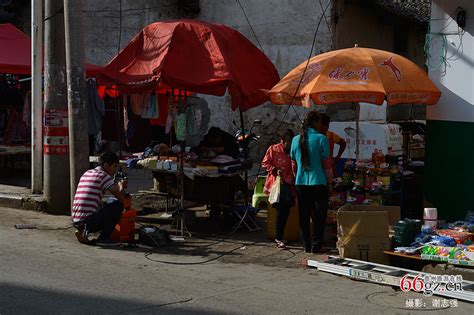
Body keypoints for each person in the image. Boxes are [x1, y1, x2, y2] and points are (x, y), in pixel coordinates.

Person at [290, 111, 329, 253]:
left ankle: (306, 245)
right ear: (315, 123)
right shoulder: (321, 139)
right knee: (319, 216)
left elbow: (293, 163)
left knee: (304, 215)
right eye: (319, 121)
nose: (321, 124)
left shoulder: (295, 140)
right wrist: (330, 181)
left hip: (301, 182)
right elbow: (326, 164)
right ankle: (316, 245)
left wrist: (297, 176)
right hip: (318, 182)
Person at [72, 152, 128, 246]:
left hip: (76, 221)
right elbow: (122, 198)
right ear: (106, 165)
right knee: (118, 205)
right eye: (114, 167)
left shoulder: (87, 173)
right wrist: (121, 186)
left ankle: (83, 231)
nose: (115, 171)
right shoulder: (103, 176)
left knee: (104, 204)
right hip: (88, 221)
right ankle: (104, 238)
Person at [262, 129, 295, 249]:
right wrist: (275, 170)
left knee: (285, 211)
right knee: (281, 212)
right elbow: (265, 163)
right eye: (287, 142)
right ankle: (279, 238)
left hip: (290, 184)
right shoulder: (273, 149)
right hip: (276, 185)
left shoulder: (294, 150)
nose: (289, 144)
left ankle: (280, 237)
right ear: (282, 140)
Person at [320, 113, 346, 177]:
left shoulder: (331, 135)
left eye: (327, 125)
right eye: (324, 125)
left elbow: (343, 143)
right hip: (319, 168)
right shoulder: (314, 137)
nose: (326, 127)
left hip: (330, 166)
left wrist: (338, 157)